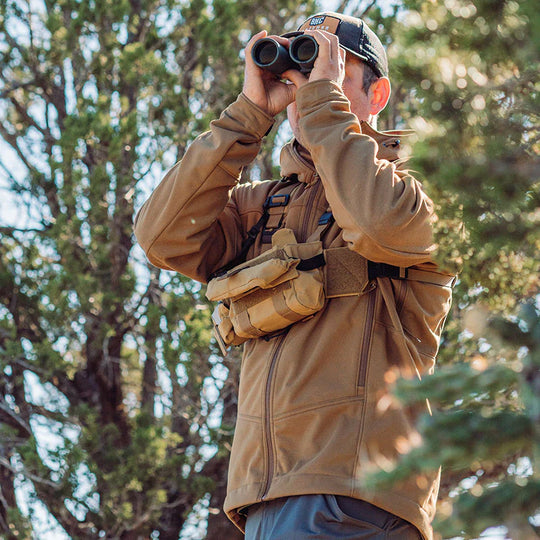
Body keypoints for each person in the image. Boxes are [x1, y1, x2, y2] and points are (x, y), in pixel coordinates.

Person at [134, 11, 455, 540]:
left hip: (356, 494)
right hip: (265, 497)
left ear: (378, 95)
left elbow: (376, 223)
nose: (307, 92)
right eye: (298, 78)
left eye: (334, 76)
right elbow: (161, 237)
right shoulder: (263, 206)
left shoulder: (419, 191)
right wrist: (246, 116)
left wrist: (324, 109)